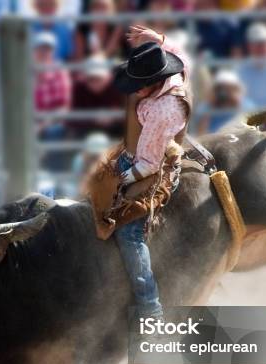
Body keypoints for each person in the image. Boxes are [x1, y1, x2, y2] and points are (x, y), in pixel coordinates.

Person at [110, 24, 191, 320]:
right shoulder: (175, 72)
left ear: (154, 83)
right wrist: (160, 40)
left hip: (152, 168)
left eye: (139, 85)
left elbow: (148, 164)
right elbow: (180, 55)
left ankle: (150, 306)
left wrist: (122, 179)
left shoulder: (163, 111)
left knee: (129, 234)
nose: (135, 90)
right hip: (146, 153)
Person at [33, 32, 72, 170]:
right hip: (29, 123)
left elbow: (64, 108)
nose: (44, 53)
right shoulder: (24, 72)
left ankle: (55, 177)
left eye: (47, 49)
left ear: (53, 52)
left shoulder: (60, 71)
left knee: (54, 132)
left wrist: (41, 126)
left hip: (52, 123)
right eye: (40, 49)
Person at [71, 54, 124, 138]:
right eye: (91, 79)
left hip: (114, 131)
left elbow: (127, 114)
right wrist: (93, 119)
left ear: (108, 77)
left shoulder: (118, 87)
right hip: (87, 132)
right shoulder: (78, 88)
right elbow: (72, 119)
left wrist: (113, 117)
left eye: (98, 78)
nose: (94, 83)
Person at [196, 69, 254, 134]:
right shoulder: (205, 107)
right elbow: (200, 133)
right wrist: (211, 105)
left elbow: (250, 130)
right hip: (213, 140)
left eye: (229, 89)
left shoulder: (247, 105)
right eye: (221, 89)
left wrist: (234, 100)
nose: (224, 93)